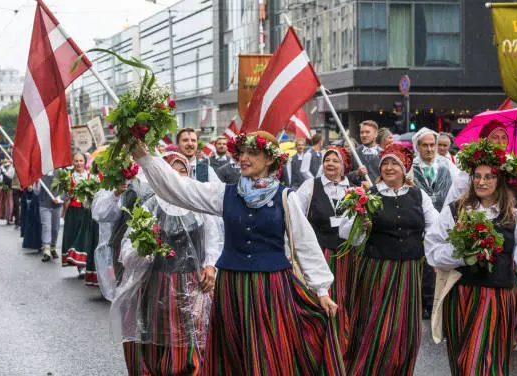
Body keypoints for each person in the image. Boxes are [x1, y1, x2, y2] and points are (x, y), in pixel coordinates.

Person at [132, 131, 345, 375]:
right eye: (241, 152)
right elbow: (179, 188)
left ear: (270, 160)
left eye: (252, 153)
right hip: (232, 288)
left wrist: (322, 290)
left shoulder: (285, 197)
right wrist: (145, 157)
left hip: (271, 287)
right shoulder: (226, 194)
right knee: (232, 354)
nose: (243, 158)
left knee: (269, 351)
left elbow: (306, 244)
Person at [425, 140, 517, 375]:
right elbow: (434, 249)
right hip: (463, 294)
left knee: (486, 360)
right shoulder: (456, 210)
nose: (481, 181)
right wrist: (465, 255)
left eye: (488, 177)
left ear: (500, 182)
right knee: (463, 361)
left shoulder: (513, 215)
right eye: (477, 176)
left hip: (498, 297)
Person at [111, 152, 223, 375]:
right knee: (156, 332)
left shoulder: (199, 205)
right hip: (157, 282)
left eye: (183, 171)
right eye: (173, 171)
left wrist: (211, 265)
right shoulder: (150, 206)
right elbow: (128, 248)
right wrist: (143, 253)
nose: (178, 176)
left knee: (191, 333)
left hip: (193, 282)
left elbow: (214, 240)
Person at [341, 144, 438, 375]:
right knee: (377, 326)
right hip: (377, 269)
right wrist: (360, 225)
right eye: (385, 163)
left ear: (405, 167)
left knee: (405, 327)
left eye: (394, 163)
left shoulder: (417, 194)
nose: (389, 167)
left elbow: (434, 227)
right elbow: (346, 233)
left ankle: (399, 369)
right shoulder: (368, 195)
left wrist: (435, 258)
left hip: (410, 270)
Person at [296, 145, 353, 353]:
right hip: (319, 253)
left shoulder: (353, 190)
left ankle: (340, 346)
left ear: (344, 165)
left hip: (346, 256)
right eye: (327, 160)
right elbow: (296, 217)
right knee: (319, 298)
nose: (330, 164)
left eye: (335, 160)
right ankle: (317, 344)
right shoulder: (310, 186)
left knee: (344, 298)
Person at [411, 128, 454, 320]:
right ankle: (420, 302)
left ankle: (434, 303)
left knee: (438, 264)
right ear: (417, 147)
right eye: (425, 145)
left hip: (442, 223)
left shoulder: (447, 167)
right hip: (418, 224)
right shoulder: (410, 170)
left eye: (432, 145)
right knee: (421, 265)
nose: (429, 149)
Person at [61, 153, 99, 284]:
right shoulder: (68, 178)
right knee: (73, 237)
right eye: (76, 161)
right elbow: (65, 196)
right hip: (73, 211)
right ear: (73, 162)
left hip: (86, 211)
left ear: (85, 162)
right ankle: (79, 266)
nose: (78, 163)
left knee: (84, 237)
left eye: (81, 160)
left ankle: (83, 265)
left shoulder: (92, 177)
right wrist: (68, 194)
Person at [38, 169, 65, 262]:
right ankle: (46, 250)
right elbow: (36, 192)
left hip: (56, 205)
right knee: (46, 226)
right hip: (44, 204)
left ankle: (53, 247)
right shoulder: (40, 173)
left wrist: (59, 198)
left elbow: (65, 190)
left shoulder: (60, 173)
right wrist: (35, 184)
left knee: (55, 228)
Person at [349, 120, 380, 185]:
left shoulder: (383, 154)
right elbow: (345, 177)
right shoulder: (353, 153)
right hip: (358, 193)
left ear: (376, 134)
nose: (364, 135)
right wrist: (357, 173)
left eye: (367, 132)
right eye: (361, 132)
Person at [0, 158, 14, 224]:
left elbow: (11, 177)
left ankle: (9, 217)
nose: (6, 166)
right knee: (3, 204)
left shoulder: (11, 169)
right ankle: (6, 217)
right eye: (5, 164)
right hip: (3, 189)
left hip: (10, 188)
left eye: (7, 164)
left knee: (10, 203)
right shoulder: (1, 169)